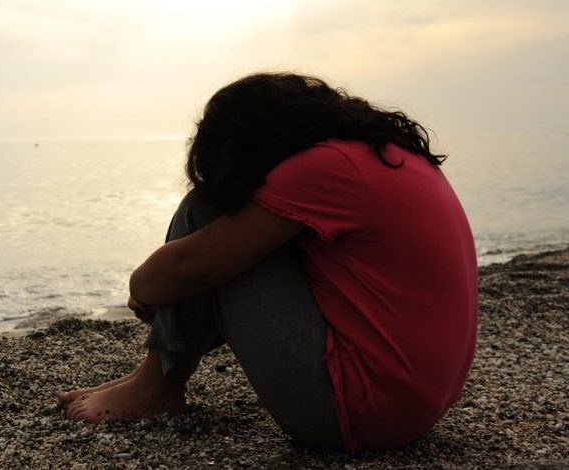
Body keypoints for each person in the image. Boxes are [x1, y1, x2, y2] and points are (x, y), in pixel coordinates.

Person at [57, 73, 478, 452]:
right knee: (233, 241)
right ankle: (151, 378)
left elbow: (181, 272)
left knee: (206, 213)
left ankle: (155, 390)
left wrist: (154, 289)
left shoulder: (324, 168)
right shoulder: (380, 154)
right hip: (414, 407)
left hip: (357, 413)